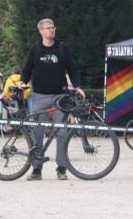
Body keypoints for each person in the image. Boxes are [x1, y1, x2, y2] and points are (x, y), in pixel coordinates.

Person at [19, 18, 84, 181]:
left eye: (53, 27)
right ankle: (36, 169)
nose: (51, 30)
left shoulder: (63, 49)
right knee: (38, 133)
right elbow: (27, 69)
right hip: (39, 96)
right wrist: (22, 81)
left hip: (59, 96)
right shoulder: (35, 49)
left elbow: (73, 70)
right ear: (40, 31)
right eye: (48, 28)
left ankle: (61, 168)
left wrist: (77, 86)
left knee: (61, 132)